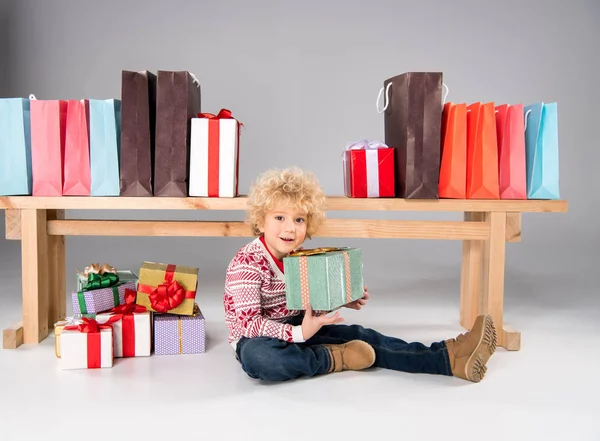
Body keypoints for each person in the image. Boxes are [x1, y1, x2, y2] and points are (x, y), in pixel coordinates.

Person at [223, 167, 497, 382]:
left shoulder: (298, 257)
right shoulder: (247, 263)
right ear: (261, 221)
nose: (290, 228)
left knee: (363, 335)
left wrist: (341, 299)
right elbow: (249, 323)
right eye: (279, 218)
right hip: (256, 338)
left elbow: (302, 300)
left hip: (296, 326)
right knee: (262, 358)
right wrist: (299, 333)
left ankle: (447, 357)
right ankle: (333, 359)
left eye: (299, 220)